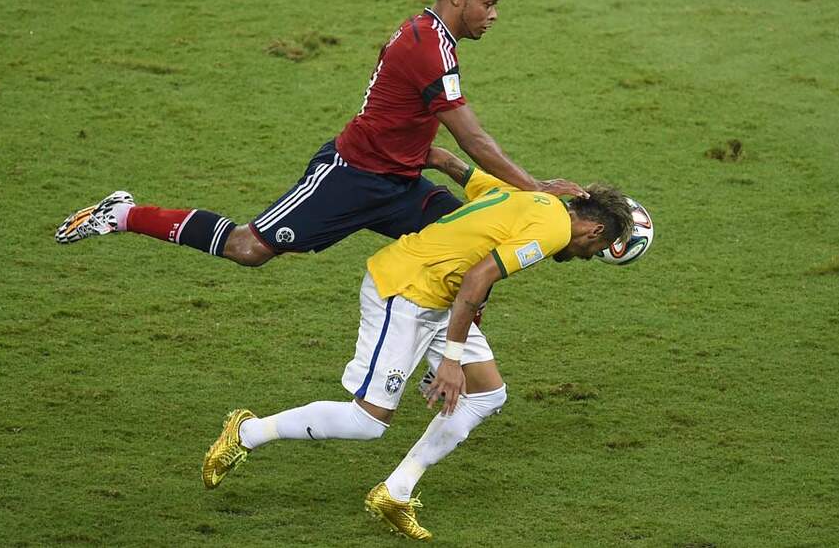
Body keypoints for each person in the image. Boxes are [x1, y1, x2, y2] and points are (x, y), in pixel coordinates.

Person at [200, 147, 637, 541]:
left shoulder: (530, 194)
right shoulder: (553, 231)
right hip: (405, 292)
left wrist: (401, 149)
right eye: (594, 250)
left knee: (487, 394)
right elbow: (478, 279)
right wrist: (450, 361)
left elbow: (447, 161)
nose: (585, 256)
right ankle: (247, 432)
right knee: (367, 422)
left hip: (438, 295)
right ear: (595, 229)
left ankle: (396, 490)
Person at [54, 0, 586, 267]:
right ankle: (121, 214)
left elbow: (403, 116)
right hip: (351, 176)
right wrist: (534, 187)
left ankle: (448, 361)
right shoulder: (429, 47)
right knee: (248, 248)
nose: (494, 15)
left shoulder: (432, 37)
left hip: (399, 182)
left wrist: (434, 158)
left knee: (467, 242)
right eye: (489, 3)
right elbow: (475, 139)